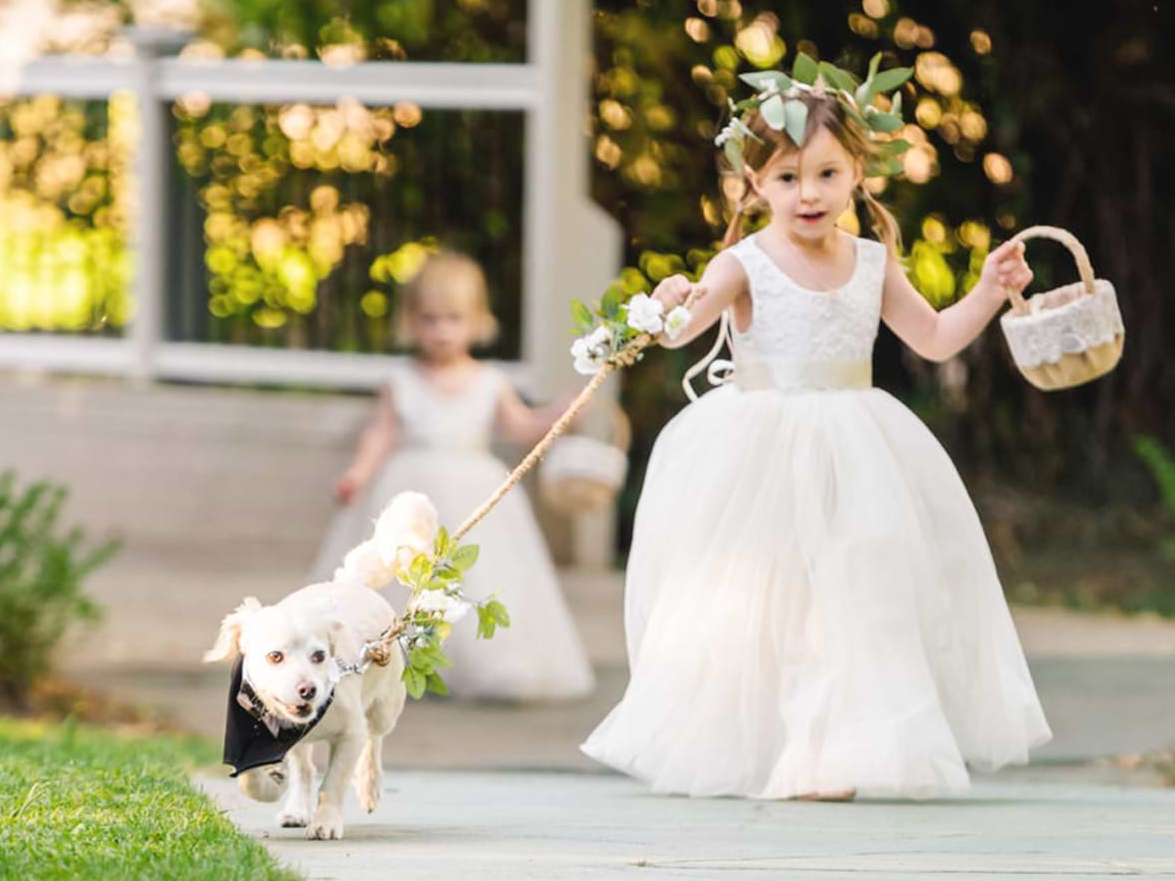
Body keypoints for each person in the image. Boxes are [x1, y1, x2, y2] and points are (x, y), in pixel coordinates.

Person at [581, 56, 1051, 799]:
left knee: (857, 592)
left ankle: (836, 751)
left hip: (857, 447)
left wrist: (990, 290)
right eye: (789, 177)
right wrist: (670, 299)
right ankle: (776, 746)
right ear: (756, 183)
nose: (809, 193)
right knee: (773, 599)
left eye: (827, 175)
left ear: (858, 170)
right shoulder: (745, 262)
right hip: (762, 451)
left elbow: (932, 337)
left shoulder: (872, 260)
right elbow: (680, 330)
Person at [311, 250, 595, 701]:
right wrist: (357, 474)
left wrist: (562, 414)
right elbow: (380, 433)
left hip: (475, 491)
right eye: (430, 319)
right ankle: (387, 662)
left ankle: (495, 665)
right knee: (403, 573)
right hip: (409, 493)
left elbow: (523, 427)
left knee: (481, 576)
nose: (442, 330)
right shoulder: (401, 380)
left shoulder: (490, 380)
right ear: (410, 320)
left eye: (454, 319)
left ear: (478, 320)